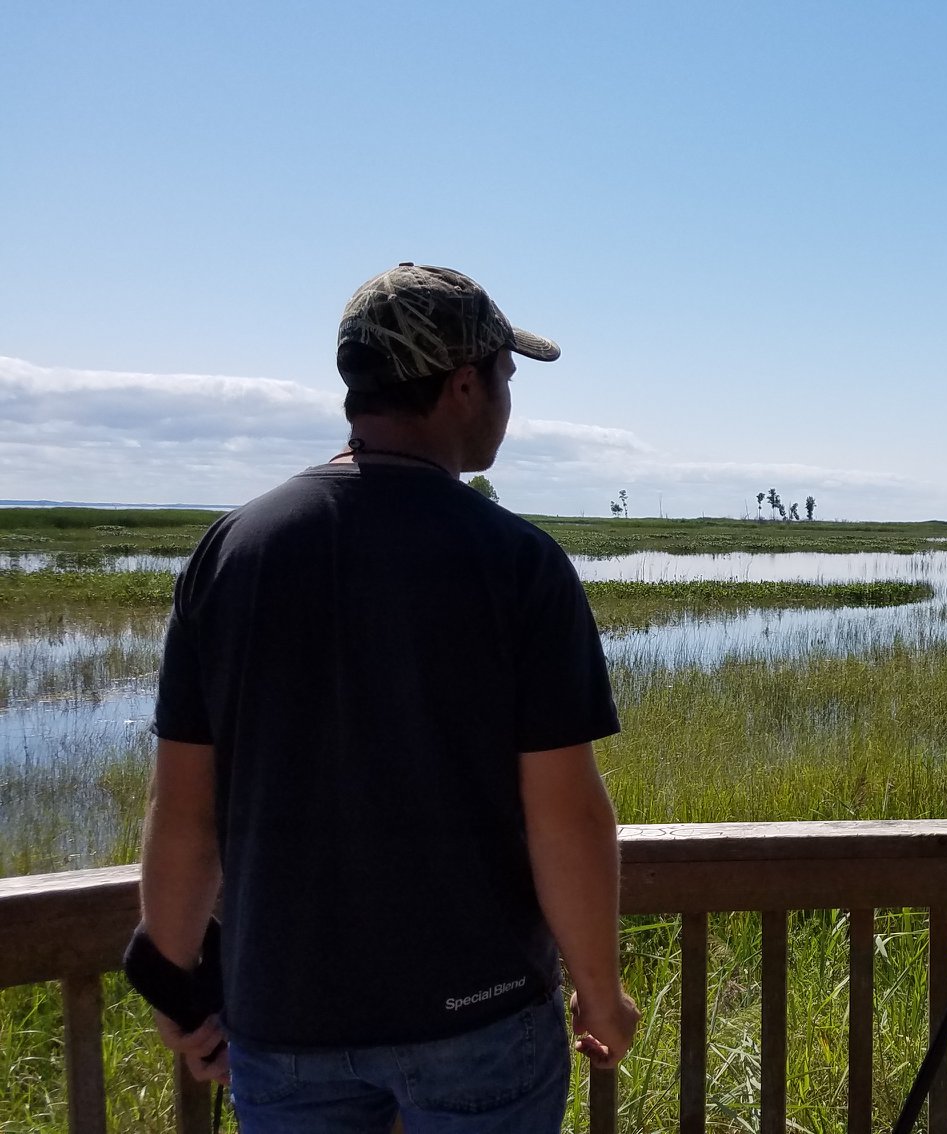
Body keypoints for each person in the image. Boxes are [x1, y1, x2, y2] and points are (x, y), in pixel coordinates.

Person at [139, 263, 640, 1131]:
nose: (510, 401)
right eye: (507, 376)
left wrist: (176, 985)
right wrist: (602, 994)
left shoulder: (233, 553)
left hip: (283, 1025)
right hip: (480, 1018)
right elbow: (566, 816)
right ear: (462, 383)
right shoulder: (518, 564)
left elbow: (184, 811)